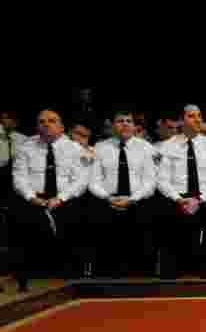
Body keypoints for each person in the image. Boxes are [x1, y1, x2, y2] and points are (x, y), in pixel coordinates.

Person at [9, 109, 89, 289]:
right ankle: (27, 275)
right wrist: (31, 197)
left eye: (52, 121)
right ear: (37, 126)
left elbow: (81, 180)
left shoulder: (75, 148)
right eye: (42, 121)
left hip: (65, 199)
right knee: (19, 215)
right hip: (34, 199)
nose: (46, 124)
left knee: (79, 215)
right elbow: (19, 177)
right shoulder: (26, 148)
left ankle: (72, 274)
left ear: (61, 126)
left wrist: (61, 198)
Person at [154, 105, 206, 278]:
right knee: (164, 208)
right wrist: (178, 199)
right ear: (181, 120)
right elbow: (162, 180)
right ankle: (170, 269)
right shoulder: (167, 146)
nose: (198, 119)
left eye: (199, 116)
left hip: (203, 196)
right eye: (192, 116)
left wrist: (200, 199)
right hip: (178, 196)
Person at [88, 111, 158, 277]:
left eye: (129, 121)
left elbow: (150, 181)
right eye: (120, 121)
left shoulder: (146, 147)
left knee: (141, 254)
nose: (125, 124)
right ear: (112, 125)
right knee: (107, 255)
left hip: (138, 203)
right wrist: (108, 197)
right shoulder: (100, 148)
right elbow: (93, 181)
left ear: (134, 126)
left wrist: (132, 199)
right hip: (107, 203)